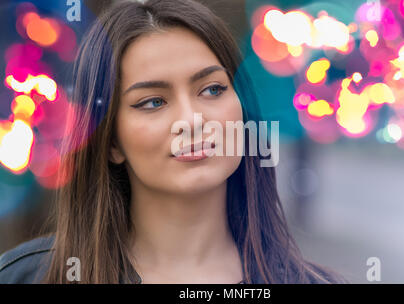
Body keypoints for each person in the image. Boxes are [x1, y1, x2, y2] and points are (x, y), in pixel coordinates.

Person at [0, 0, 346, 284]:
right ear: (111, 143)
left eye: (212, 89)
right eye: (153, 101)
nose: (192, 120)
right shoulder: (27, 277)